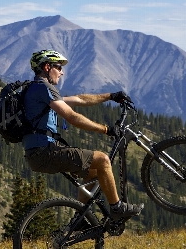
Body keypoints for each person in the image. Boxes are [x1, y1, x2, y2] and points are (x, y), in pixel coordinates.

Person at [22, 49, 143, 221]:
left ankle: (81, 220)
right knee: (102, 160)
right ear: (47, 67)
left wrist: (111, 96)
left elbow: (80, 99)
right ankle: (117, 208)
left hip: (38, 152)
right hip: (44, 151)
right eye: (58, 67)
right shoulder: (43, 88)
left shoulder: (37, 88)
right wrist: (106, 129)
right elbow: (72, 117)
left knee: (93, 173)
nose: (62, 72)